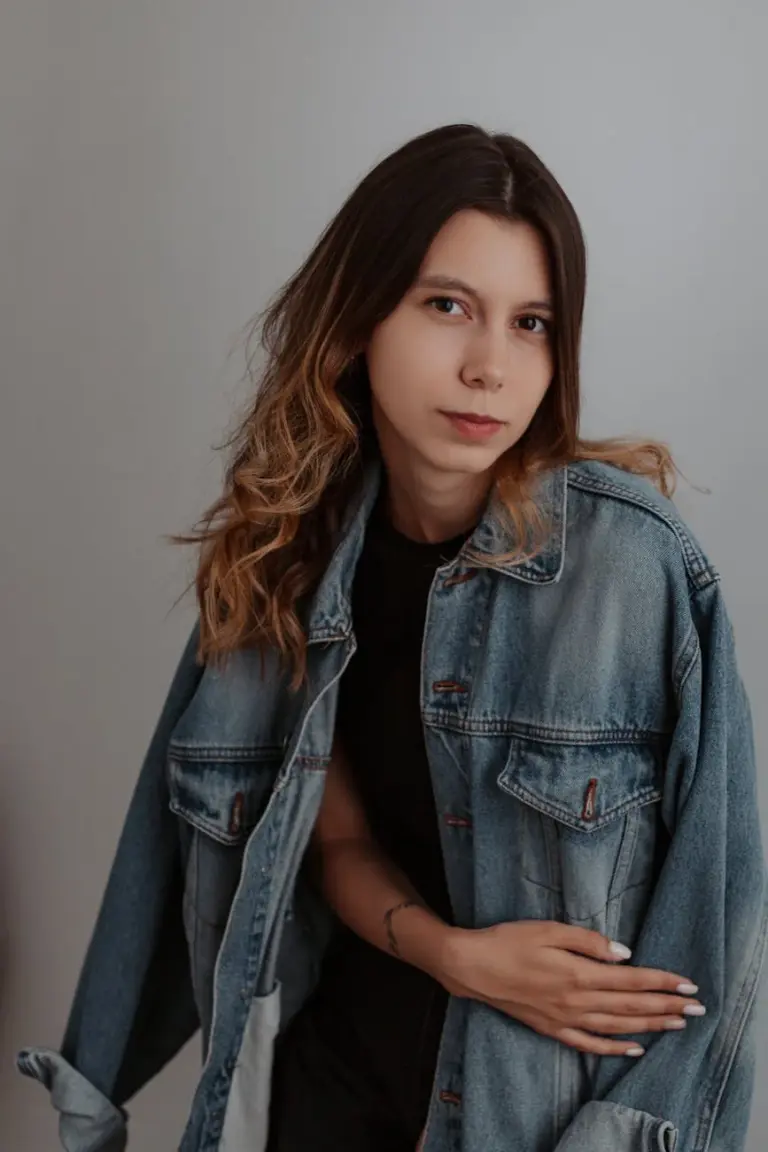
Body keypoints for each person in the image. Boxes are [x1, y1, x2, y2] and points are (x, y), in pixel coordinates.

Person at [19, 123, 767, 1152]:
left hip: (532, 1125)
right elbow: (334, 842)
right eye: (448, 305)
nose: (489, 366)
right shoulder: (288, 561)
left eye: (533, 323)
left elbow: (717, 941)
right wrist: (457, 956)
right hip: (330, 1099)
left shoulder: (632, 570)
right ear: (359, 317)